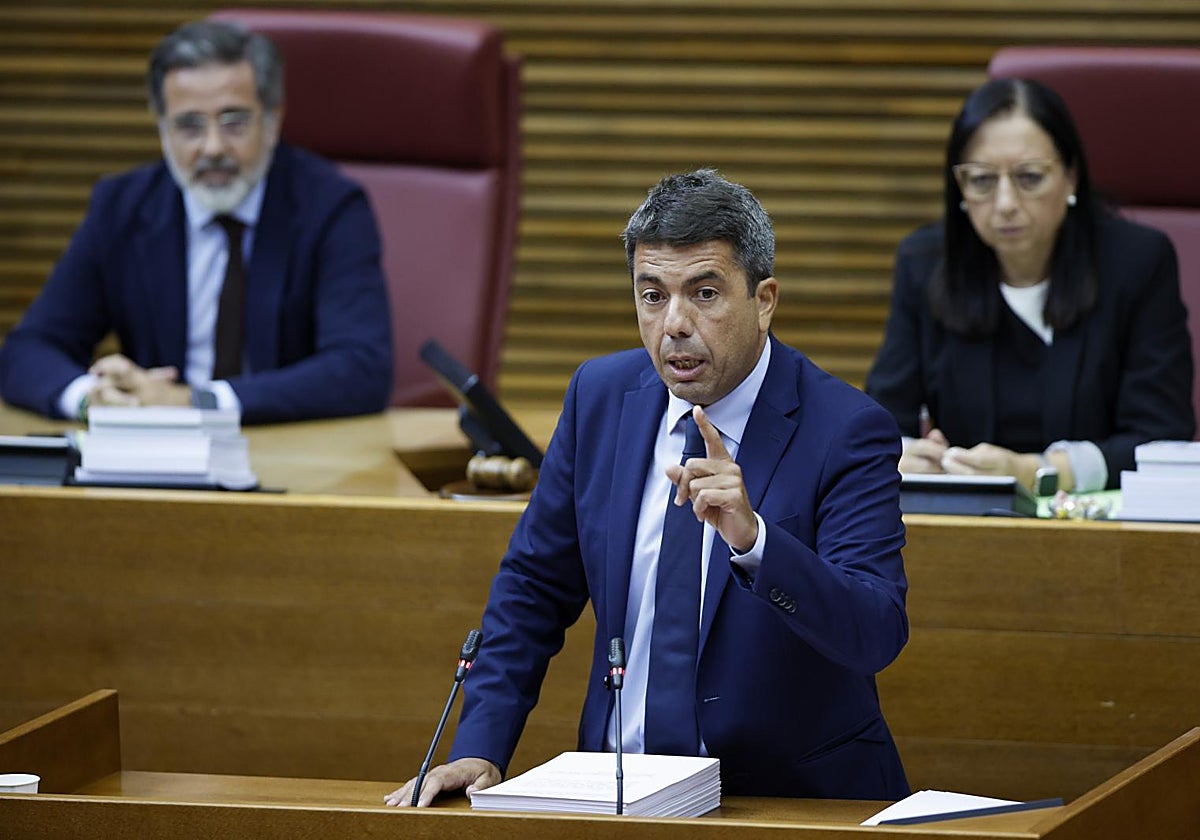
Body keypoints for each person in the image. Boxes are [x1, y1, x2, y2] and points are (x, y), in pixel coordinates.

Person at [386, 169, 910, 806]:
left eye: (706, 293)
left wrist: (756, 542)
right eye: (653, 295)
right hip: (617, 795)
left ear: (765, 298)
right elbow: (533, 588)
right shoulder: (601, 398)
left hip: (785, 802)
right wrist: (482, 742)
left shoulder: (846, 430)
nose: (675, 325)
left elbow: (876, 633)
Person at [0, 20, 393, 424]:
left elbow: (361, 369)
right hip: (158, 460)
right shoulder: (121, 208)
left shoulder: (330, 206)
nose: (213, 147)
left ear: (273, 121)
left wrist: (194, 402)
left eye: (234, 122)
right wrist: (92, 399)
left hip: (290, 451)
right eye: (189, 126)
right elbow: (28, 350)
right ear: (162, 129)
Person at [866, 78, 1194, 493]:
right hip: (970, 523)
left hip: (1104, 530)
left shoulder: (1138, 264)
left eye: (1030, 177)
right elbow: (878, 424)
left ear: (1070, 177)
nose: (1005, 203)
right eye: (982, 180)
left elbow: (1160, 439)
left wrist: (1037, 472)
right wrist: (907, 454)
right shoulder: (925, 265)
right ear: (960, 189)